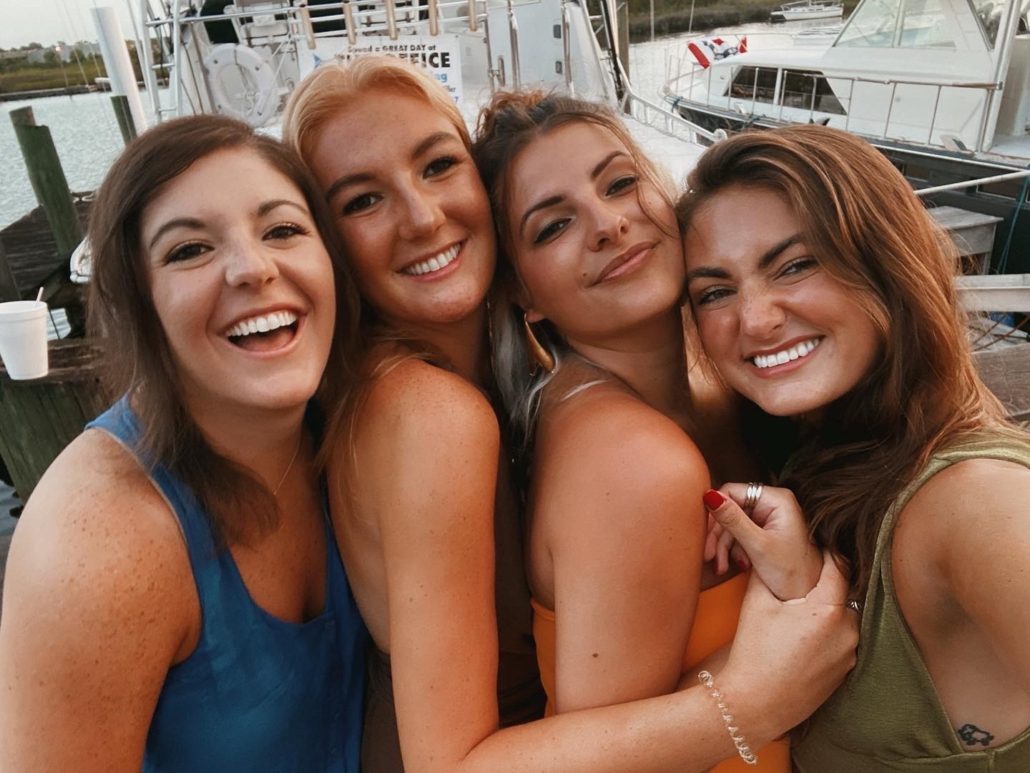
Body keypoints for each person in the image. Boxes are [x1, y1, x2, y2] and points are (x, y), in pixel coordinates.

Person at [285, 56, 857, 773]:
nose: (423, 215)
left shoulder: (525, 395)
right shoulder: (441, 415)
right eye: (362, 201)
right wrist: (758, 696)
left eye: (438, 165)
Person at [0, 114, 367, 771]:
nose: (253, 268)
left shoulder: (355, 443)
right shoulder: (99, 545)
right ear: (138, 304)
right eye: (190, 249)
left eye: (282, 230)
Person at [473, 89, 824, 772]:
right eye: (553, 226)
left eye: (620, 183)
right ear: (523, 294)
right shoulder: (633, 460)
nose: (608, 224)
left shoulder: (718, 394)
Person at [679, 124, 1030, 771]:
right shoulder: (824, 467)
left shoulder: (979, 502)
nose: (755, 319)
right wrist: (802, 587)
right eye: (715, 292)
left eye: (795, 265)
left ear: (886, 265)